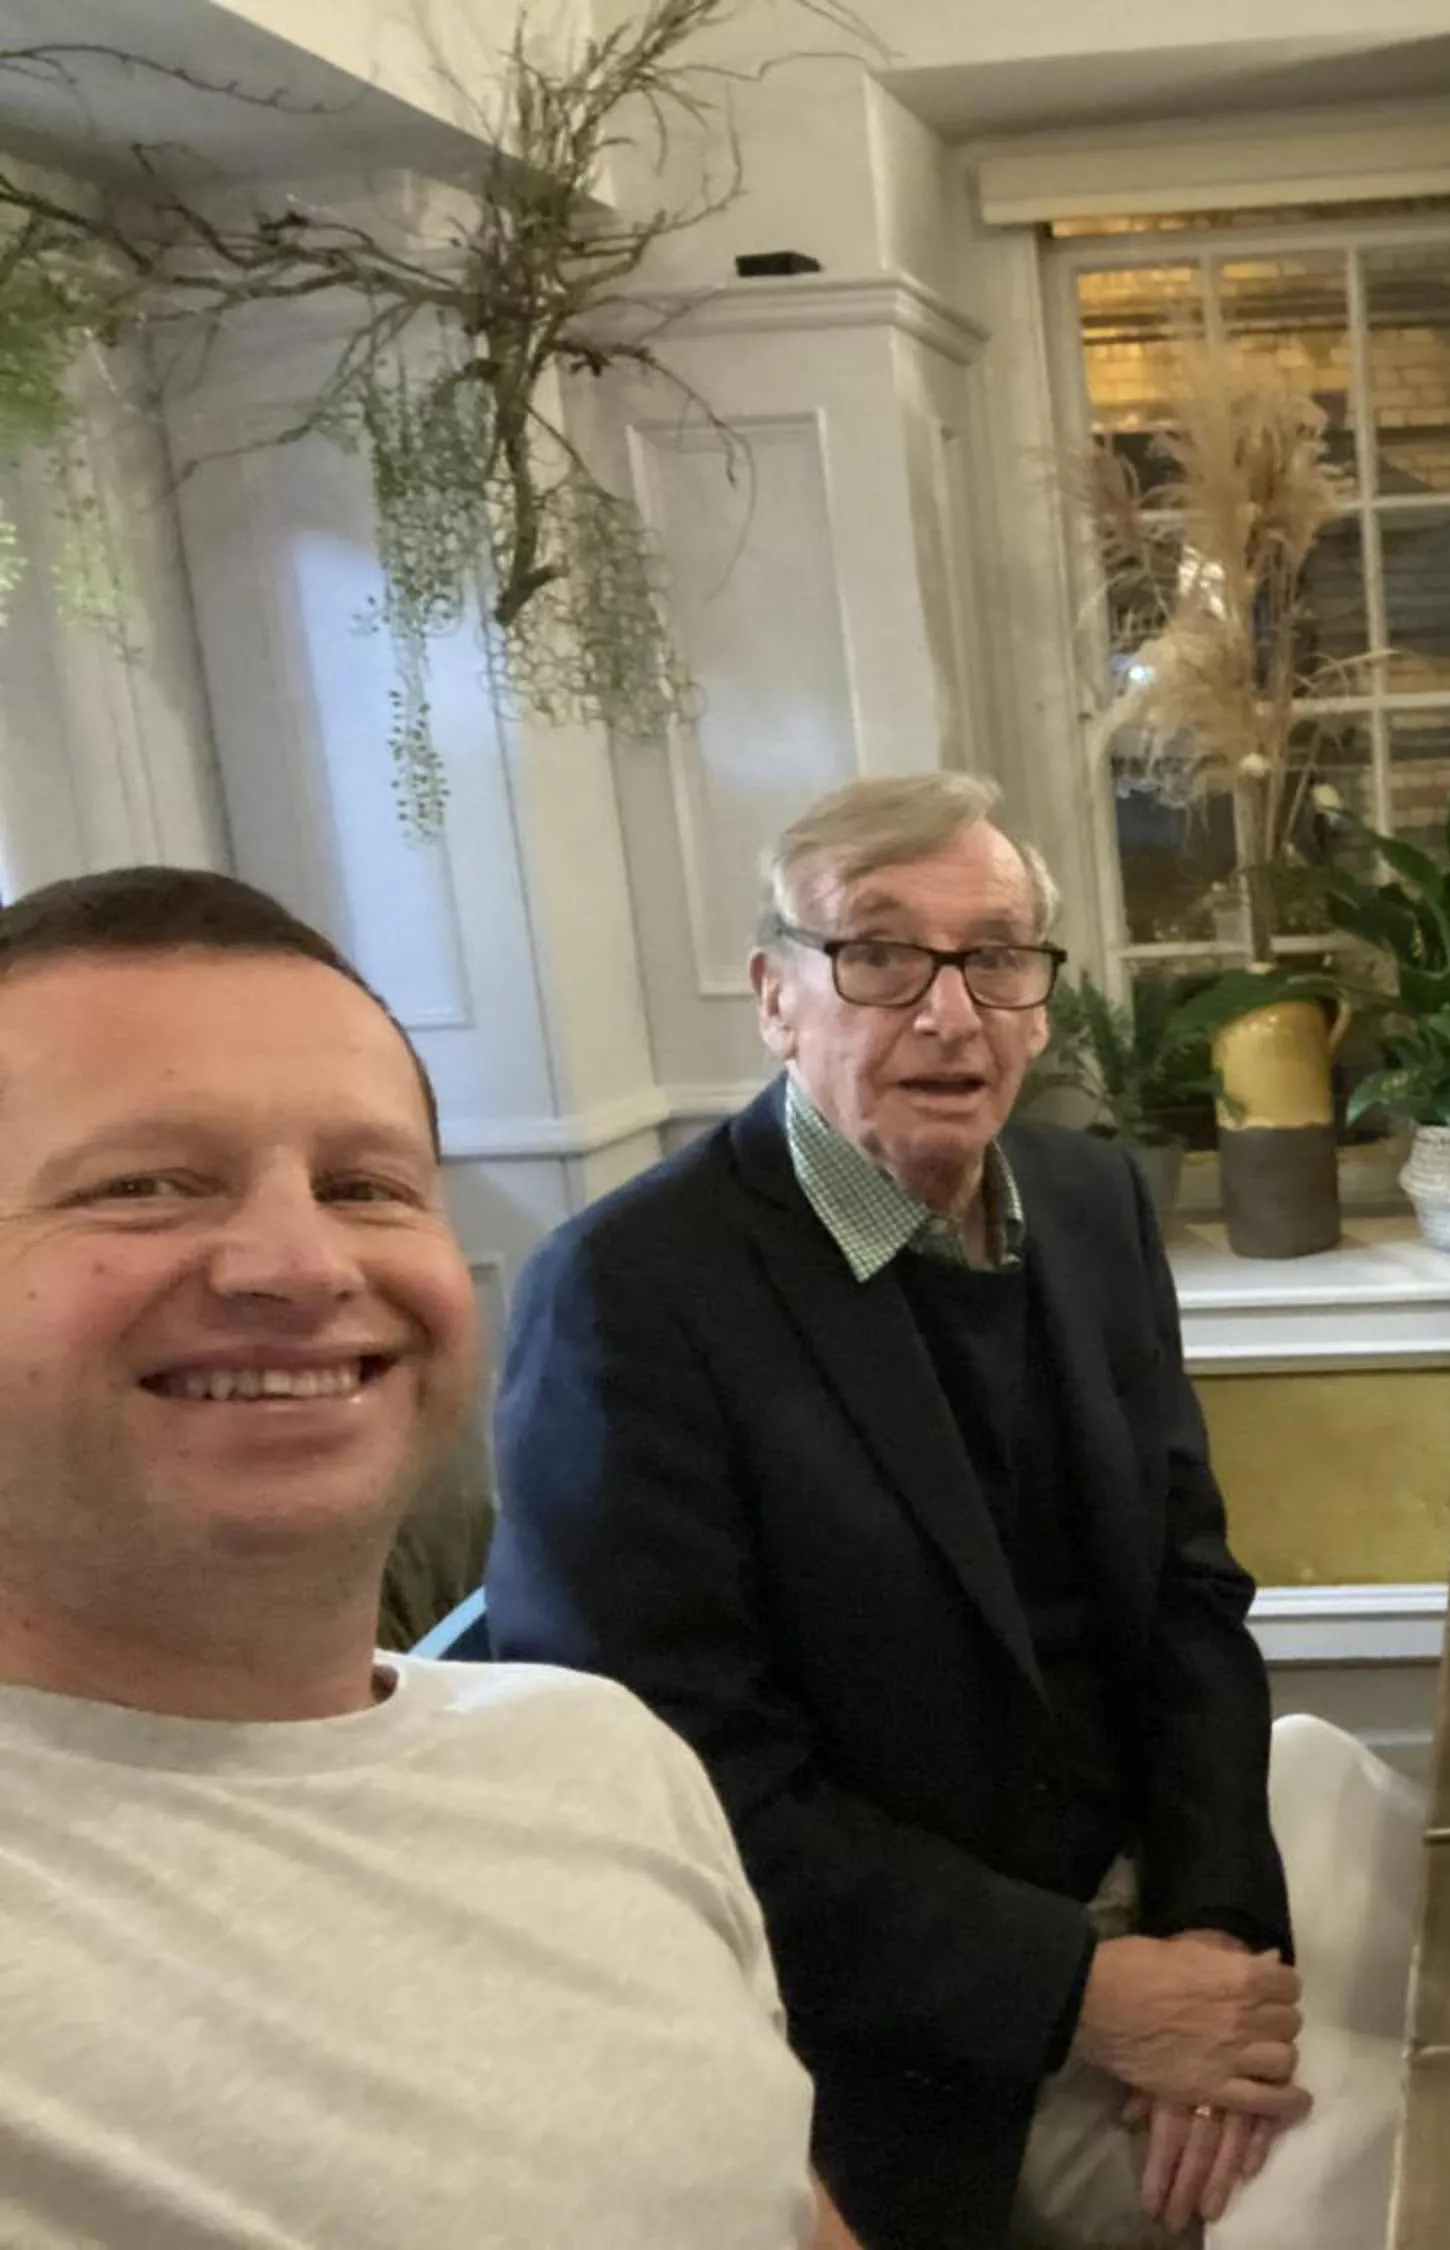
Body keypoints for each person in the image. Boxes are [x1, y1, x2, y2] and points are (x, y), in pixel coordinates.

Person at [489, 774, 1310, 2250]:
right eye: (879, 954)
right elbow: (681, 1793)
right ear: (774, 995)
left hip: (1142, 1905)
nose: (950, 1012)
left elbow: (1190, 1597)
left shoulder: (1089, 1202)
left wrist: (1213, 1934)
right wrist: (1085, 1994)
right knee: (1389, 2195)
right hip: (904, 2045)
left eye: (997, 955)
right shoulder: (630, 1298)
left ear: (1042, 999)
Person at [0, 867, 837, 2250]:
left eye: (364, 1183)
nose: (302, 1261)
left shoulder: (599, 1753)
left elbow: (764, 2197)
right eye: (143, 1183)